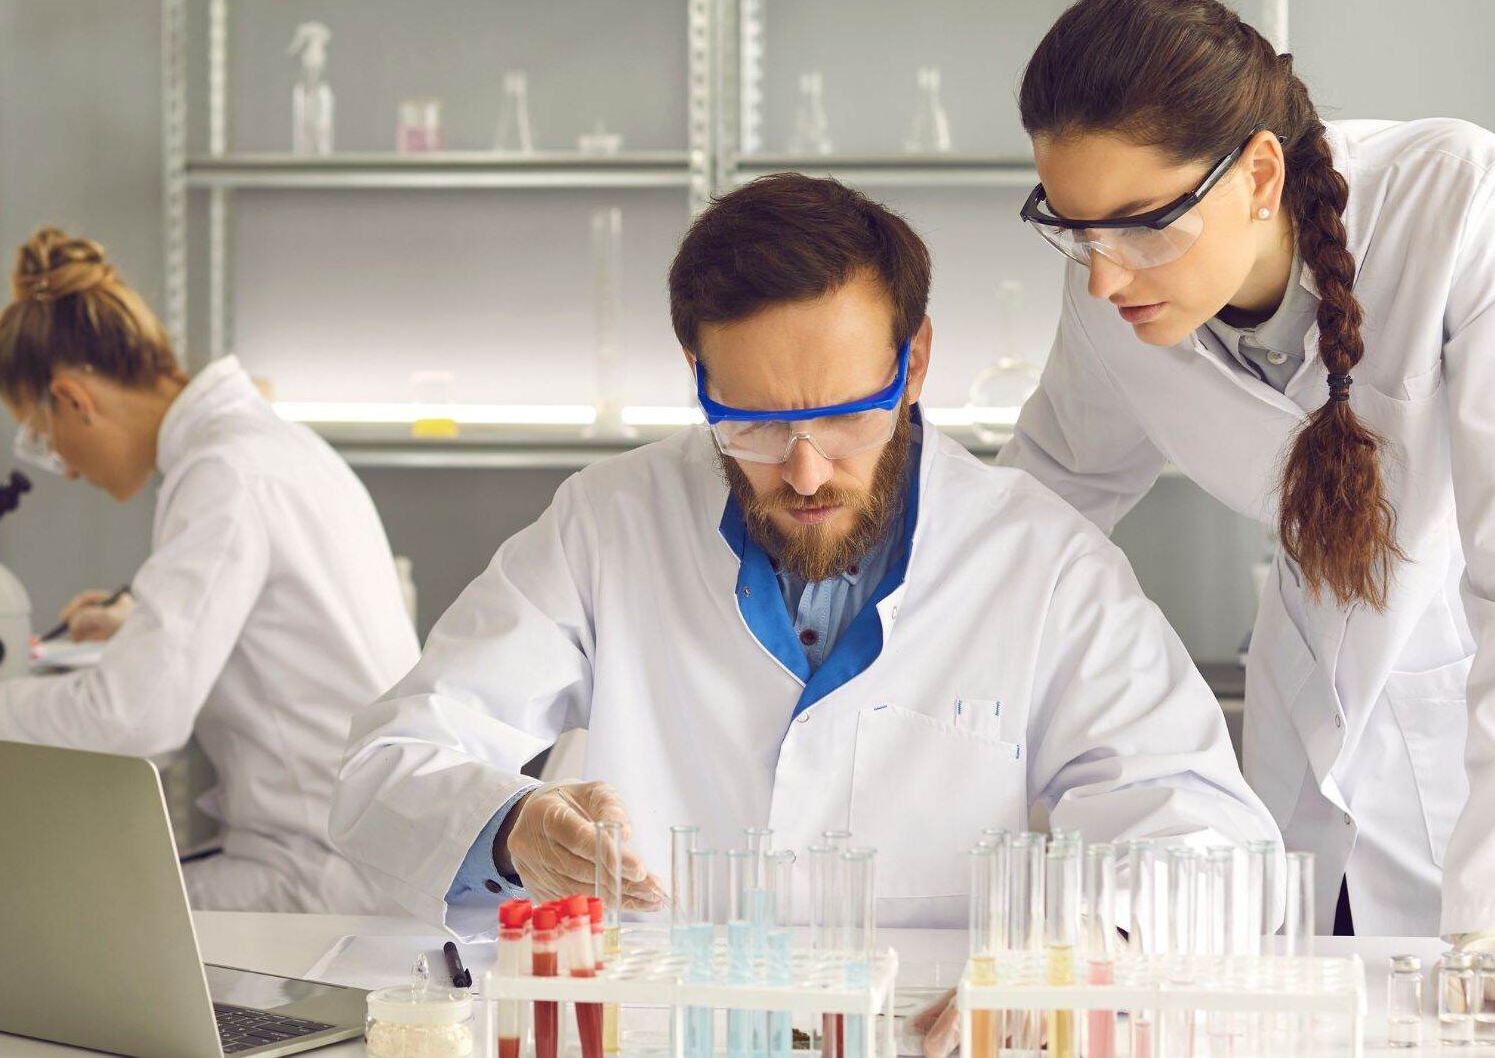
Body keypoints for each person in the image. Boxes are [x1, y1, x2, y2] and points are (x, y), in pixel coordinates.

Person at [331, 172, 1279, 937]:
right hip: (671, 1029)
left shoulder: (1042, 562)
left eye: (843, 414)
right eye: (751, 424)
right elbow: (392, 761)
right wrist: (511, 829)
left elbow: (1208, 836)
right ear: (698, 380)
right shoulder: (609, 521)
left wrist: (1078, 947)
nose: (806, 469)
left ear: (913, 364)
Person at [1000, 0, 1495, 943]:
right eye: (1073, 230)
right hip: (1296, 739)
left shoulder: (1458, 206)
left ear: (1260, 176)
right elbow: (1043, 507)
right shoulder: (1112, 294)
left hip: (1465, 751)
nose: (1103, 275)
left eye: (1142, 224)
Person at [0, 228, 420, 913]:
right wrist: (139, 624)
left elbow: (131, 721)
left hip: (321, 875)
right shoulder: (267, 446)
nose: (66, 466)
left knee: (40, 924)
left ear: (74, 399)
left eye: (46, 439)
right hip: (364, 853)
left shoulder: (224, 473)